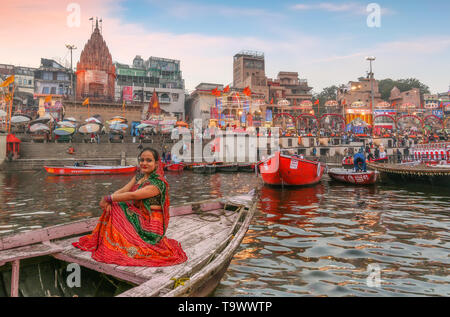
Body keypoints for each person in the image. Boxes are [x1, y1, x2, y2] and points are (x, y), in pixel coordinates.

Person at [73, 147, 187, 267]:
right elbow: (124, 190)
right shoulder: (139, 177)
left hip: (151, 226)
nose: (144, 163)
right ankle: (111, 240)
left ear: (157, 163)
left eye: (149, 160)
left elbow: (133, 195)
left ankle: (116, 242)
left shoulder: (158, 183)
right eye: (142, 160)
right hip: (139, 216)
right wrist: (110, 200)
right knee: (115, 204)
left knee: (118, 206)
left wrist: (108, 198)